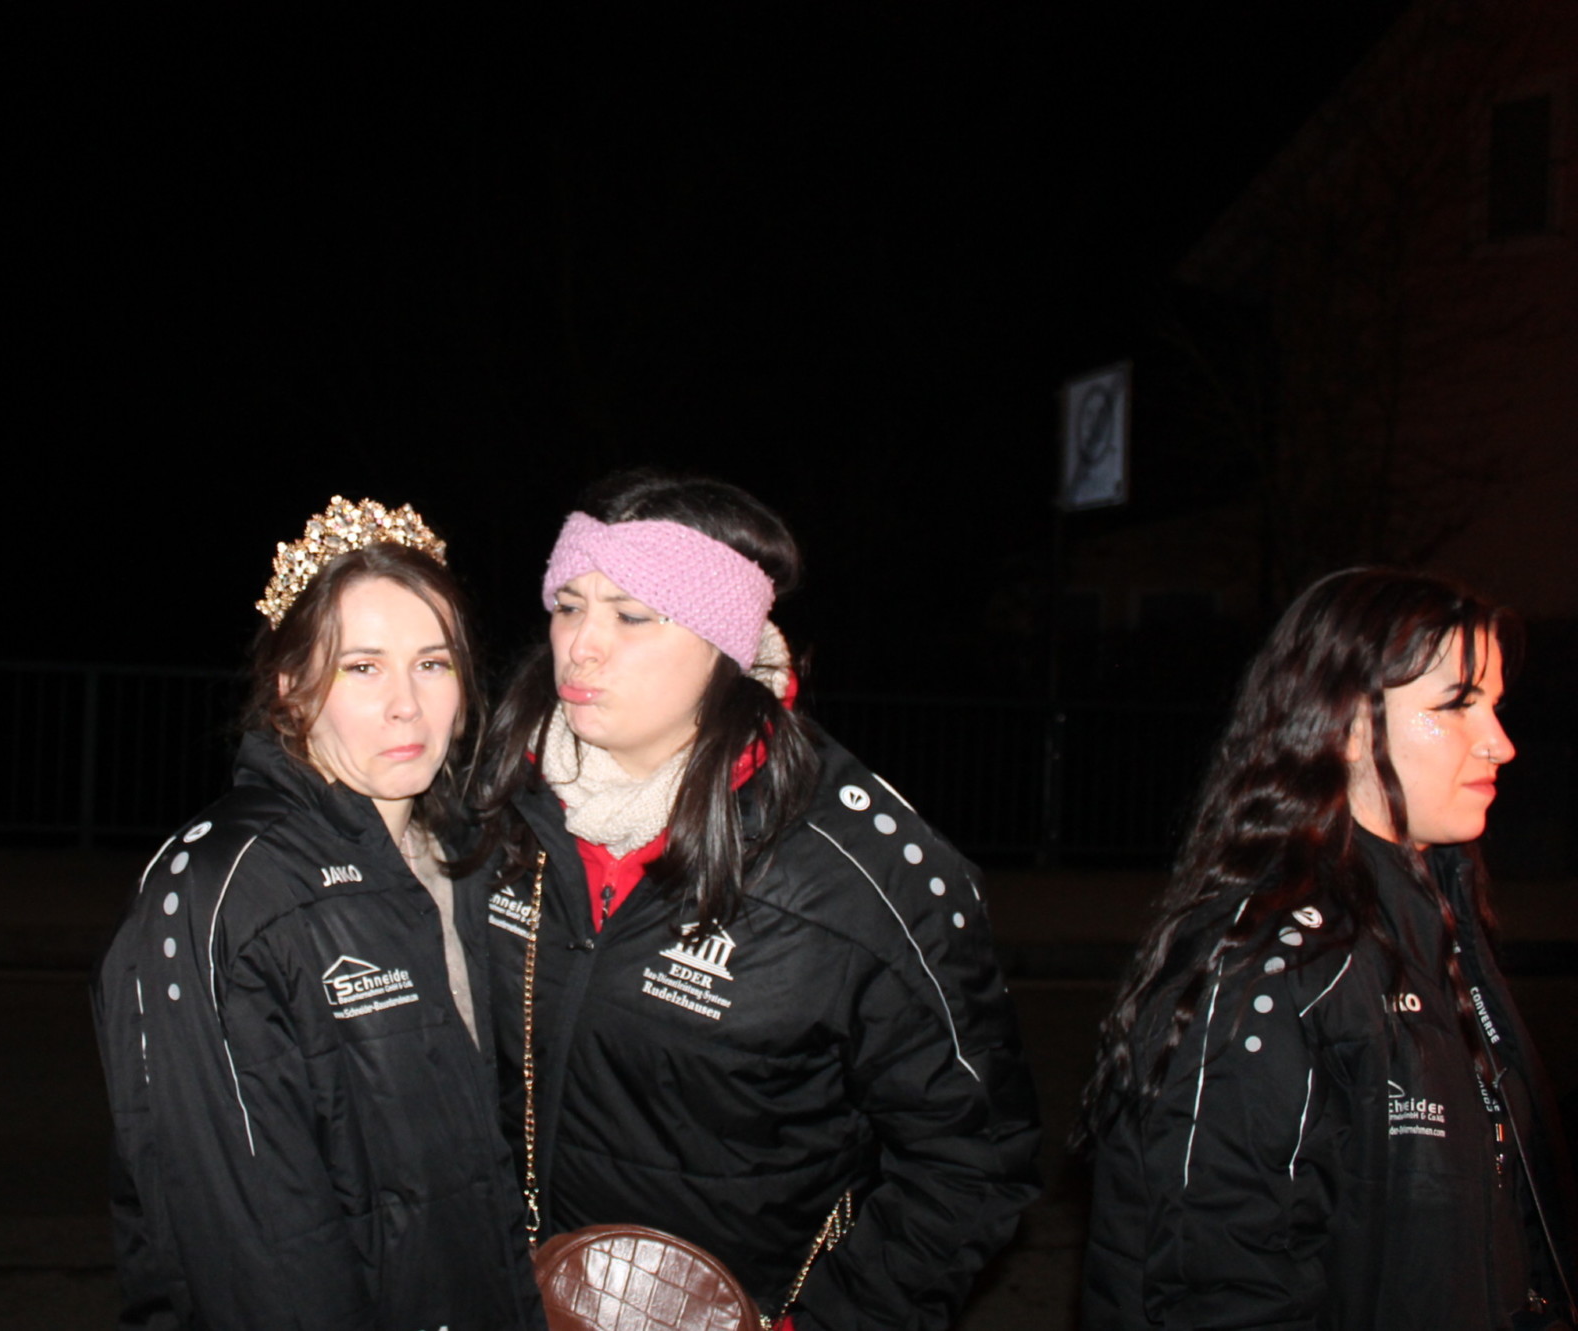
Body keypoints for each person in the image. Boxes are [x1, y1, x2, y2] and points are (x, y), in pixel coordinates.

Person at [470, 471, 1041, 1329]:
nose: (581, 645)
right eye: (568, 605)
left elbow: (973, 1156)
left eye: (632, 614)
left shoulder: (860, 872)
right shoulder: (496, 809)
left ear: (725, 641)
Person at [1079, 568, 1577, 1330]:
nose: (1499, 743)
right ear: (1345, 725)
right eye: (1456, 705)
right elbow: (1220, 1287)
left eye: (1495, 705)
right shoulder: (1273, 966)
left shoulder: (1440, 923)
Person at [94, 496, 544, 1330]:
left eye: (433, 663)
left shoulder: (472, 860)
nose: (407, 704)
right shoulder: (222, 888)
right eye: (362, 667)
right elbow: (252, 1249)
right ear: (292, 686)